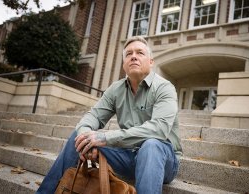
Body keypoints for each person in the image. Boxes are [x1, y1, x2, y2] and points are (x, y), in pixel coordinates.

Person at [36, 36, 182, 194]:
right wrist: (87, 138)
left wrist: (104, 138)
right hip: (127, 156)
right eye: (128, 54)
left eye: (140, 53)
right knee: (78, 139)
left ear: (151, 62)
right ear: (124, 64)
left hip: (162, 159)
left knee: (151, 145)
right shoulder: (116, 89)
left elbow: (159, 129)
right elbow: (93, 116)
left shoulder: (164, 88)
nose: (133, 56)